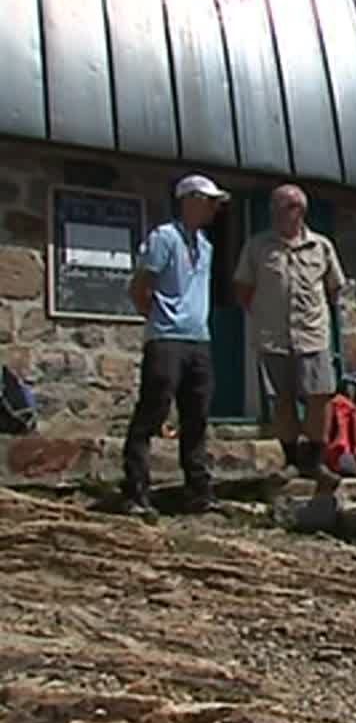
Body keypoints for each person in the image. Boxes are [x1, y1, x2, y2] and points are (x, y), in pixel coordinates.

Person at [122, 174, 229, 518]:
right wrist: (156, 319)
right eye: (209, 201)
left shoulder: (207, 245)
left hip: (198, 339)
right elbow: (141, 286)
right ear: (189, 200)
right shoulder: (164, 238)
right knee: (152, 413)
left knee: (196, 417)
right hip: (167, 338)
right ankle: (137, 490)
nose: (214, 209)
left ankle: (198, 491)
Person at [233, 184, 346, 478]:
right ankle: (291, 459)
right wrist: (264, 315)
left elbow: (335, 289)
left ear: (303, 211)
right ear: (273, 210)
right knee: (281, 400)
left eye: (294, 206)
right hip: (274, 338)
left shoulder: (321, 246)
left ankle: (315, 459)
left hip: (312, 335)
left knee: (320, 396)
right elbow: (243, 289)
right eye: (282, 206)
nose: (288, 212)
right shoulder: (257, 247)